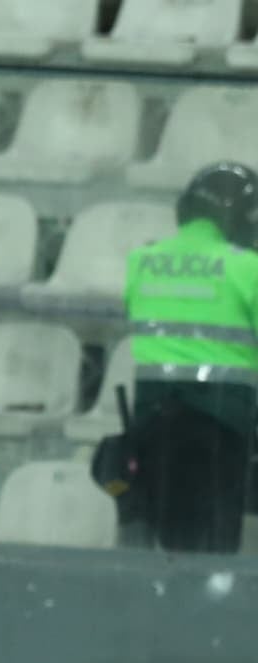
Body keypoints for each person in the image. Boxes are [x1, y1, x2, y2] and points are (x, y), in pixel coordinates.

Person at [124, 160, 258, 553]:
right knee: (212, 542)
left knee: (162, 535)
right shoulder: (246, 267)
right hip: (221, 418)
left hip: (152, 415)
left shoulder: (142, 261)